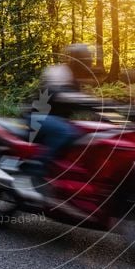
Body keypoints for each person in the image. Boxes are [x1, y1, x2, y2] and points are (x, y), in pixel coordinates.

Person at [26, 44, 101, 179]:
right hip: (38, 117)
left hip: (58, 120)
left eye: (87, 60)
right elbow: (56, 92)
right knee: (64, 131)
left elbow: (84, 103)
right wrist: (79, 98)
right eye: (83, 60)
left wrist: (105, 112)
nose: (86, 63)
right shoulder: (57, 72)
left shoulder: (76, 78)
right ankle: (36, 168)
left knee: (90, 133)